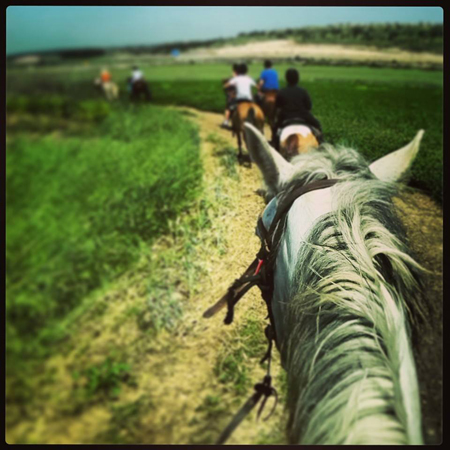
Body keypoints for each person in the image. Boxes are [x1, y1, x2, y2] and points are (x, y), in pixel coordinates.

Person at [272, 68, 322, 149]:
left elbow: (277, 107)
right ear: (297, 79)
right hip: (303, 116)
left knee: (275, 130)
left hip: (286, 117)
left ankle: (275, 147)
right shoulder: (303, 91)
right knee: (318, 127)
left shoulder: (281, 92)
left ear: (287, 79)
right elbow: (309, 106)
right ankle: (322, 145)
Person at [221, 63, 257, 129]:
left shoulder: (236, 78)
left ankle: (226, 122)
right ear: (246, 71)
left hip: (239, 98)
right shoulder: (249, 78)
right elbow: (257, 86)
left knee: (229, 107)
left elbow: (226, 86)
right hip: (249, 98)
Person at [221, 63, 238, 129]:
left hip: (234, 93)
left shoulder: (234, 74)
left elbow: (231, 83)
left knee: (228, 107)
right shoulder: (243, 74)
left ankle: (226, 121)